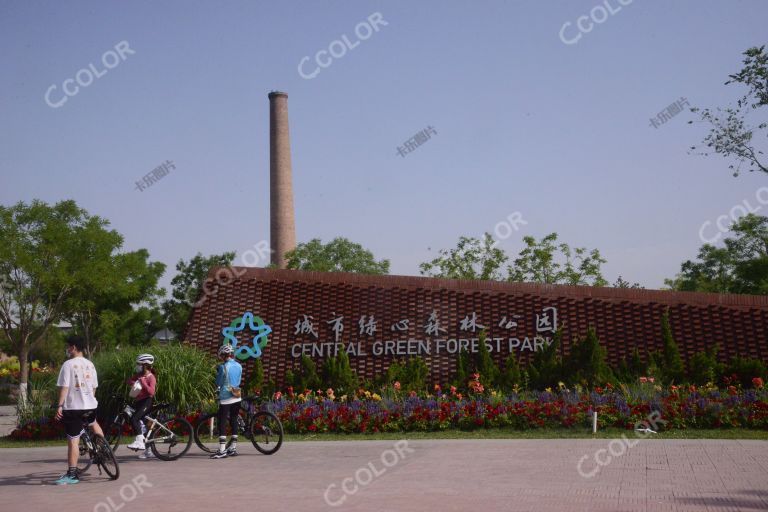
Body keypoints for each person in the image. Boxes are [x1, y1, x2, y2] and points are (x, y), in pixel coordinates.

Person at [54, 335, 104, 485]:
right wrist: (89, 400)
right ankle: (102, 449)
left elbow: (65, 387)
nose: (67, 349)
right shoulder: (90, 364)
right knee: (93, 423)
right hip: (90, 405)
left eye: (68, 346)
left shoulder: (68, 364)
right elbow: (94, 387)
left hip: (74, 408)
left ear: (74, 347)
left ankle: (72, 474)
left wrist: (60, 406)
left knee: (73, 441)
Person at [211, 344, 242, 459]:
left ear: (224, 355)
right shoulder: (239, 366)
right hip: (237, 395)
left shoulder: (223, 367)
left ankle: (222, 450)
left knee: (222, 422)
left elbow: (218, 382)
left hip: (226, 397)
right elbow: (238, 380)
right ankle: (233, 448)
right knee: (234, 419)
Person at [126, 353, 157, 459]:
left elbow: (151, 392)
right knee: (143, 425)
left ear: (145, 364)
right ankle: (148, 450)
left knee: (134, 419)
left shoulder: (151, 377)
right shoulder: (139, 375)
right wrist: (133, 382)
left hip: (146, 402)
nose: (137, 365)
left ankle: (140, 442)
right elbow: (129, 380)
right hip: (138, 401)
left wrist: (143, 382)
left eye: (139, 364)